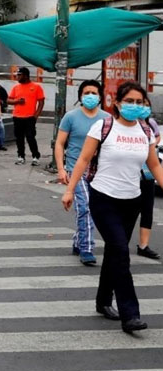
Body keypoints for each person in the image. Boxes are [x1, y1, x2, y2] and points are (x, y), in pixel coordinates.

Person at [62, 81, 162, 334]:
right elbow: (84, 159)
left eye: (139, 102)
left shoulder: (145, 131)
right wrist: (69, 189)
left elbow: (154, 165)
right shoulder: (104, 126)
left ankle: (103, 301)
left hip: (132, 200)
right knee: (121, 251)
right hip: (104, 197)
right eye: (129, 101)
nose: (135, 106)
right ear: (117, 103)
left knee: (115, 253)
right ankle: (130, 315)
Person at [54, 80, 110, 266]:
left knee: (93, 208)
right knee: (85, 206)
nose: (90, 96)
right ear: (80, 96)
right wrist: (61, 169)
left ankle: (79, 240)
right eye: (87, 93)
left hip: (99, 171)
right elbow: (60, 143)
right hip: (75, 169)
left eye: (94, 93)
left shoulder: (106, 119)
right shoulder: (71, 117)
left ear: (100, 97)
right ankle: (87, 248)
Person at [137, 96, 162, 259]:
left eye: (146, 105)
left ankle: (143, 245)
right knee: (127, 212)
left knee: (147, 210)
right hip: (128, 176)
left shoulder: (150, 124)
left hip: (146, 175)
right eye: (140, 104)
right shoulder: (123, 125)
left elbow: (157, 136)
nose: (143, 108)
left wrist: (151, 145)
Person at [8, 67, 45, 166]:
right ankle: (21, 156)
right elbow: (8, 100)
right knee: (19, 138)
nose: (17, 77)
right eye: (17, 75)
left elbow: (41, 102)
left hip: (29, 117)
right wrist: (17, 101)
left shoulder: (36, 87)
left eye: (19, 75)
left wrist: (36, 115)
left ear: (25, 75)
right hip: (17, 116)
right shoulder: (16, 88)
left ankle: (35, 156)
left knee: (30, 137)